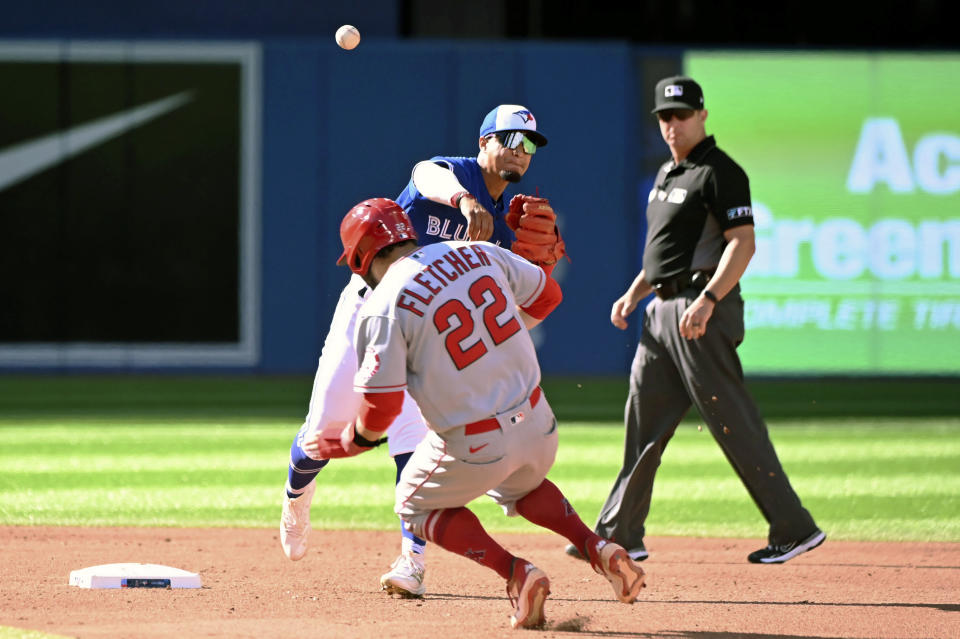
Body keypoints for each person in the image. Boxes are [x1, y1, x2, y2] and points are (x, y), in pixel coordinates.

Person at [305, 198, 645, 629]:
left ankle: (516, 574)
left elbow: (384, 405)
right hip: (540, 423)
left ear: (359, 259)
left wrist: (354, 441)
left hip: (478, 443)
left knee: (412, 505)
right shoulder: (473, 250)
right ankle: (598, 548)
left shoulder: (383, 303)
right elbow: (549, 295)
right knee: (520, 486)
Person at [281, 104, 562, 597]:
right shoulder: (455, 174)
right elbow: (423, 171)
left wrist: (537, 266)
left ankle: (411, 562)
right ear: (483, 144)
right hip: (366, 310)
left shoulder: (502, 228)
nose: (520, 151)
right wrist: (464, 201)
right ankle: (297, 495)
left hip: (424, 331)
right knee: (322, 427)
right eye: (509, 139)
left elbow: (511, 306)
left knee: (414, 438)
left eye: (530, 145)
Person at [566, 75, 824, 565]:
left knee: (733, 423)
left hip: (699, 310)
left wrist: (708, 299)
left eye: (681, 115)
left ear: (702, 115)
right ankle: (621, 533)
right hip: (661, 312)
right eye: (664, 116)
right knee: (641, 424)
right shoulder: (667, 174)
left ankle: (794, 528)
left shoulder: (720, 172)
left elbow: (742, 243)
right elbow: (666, 254)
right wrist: (633, 293)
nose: (671, 125)